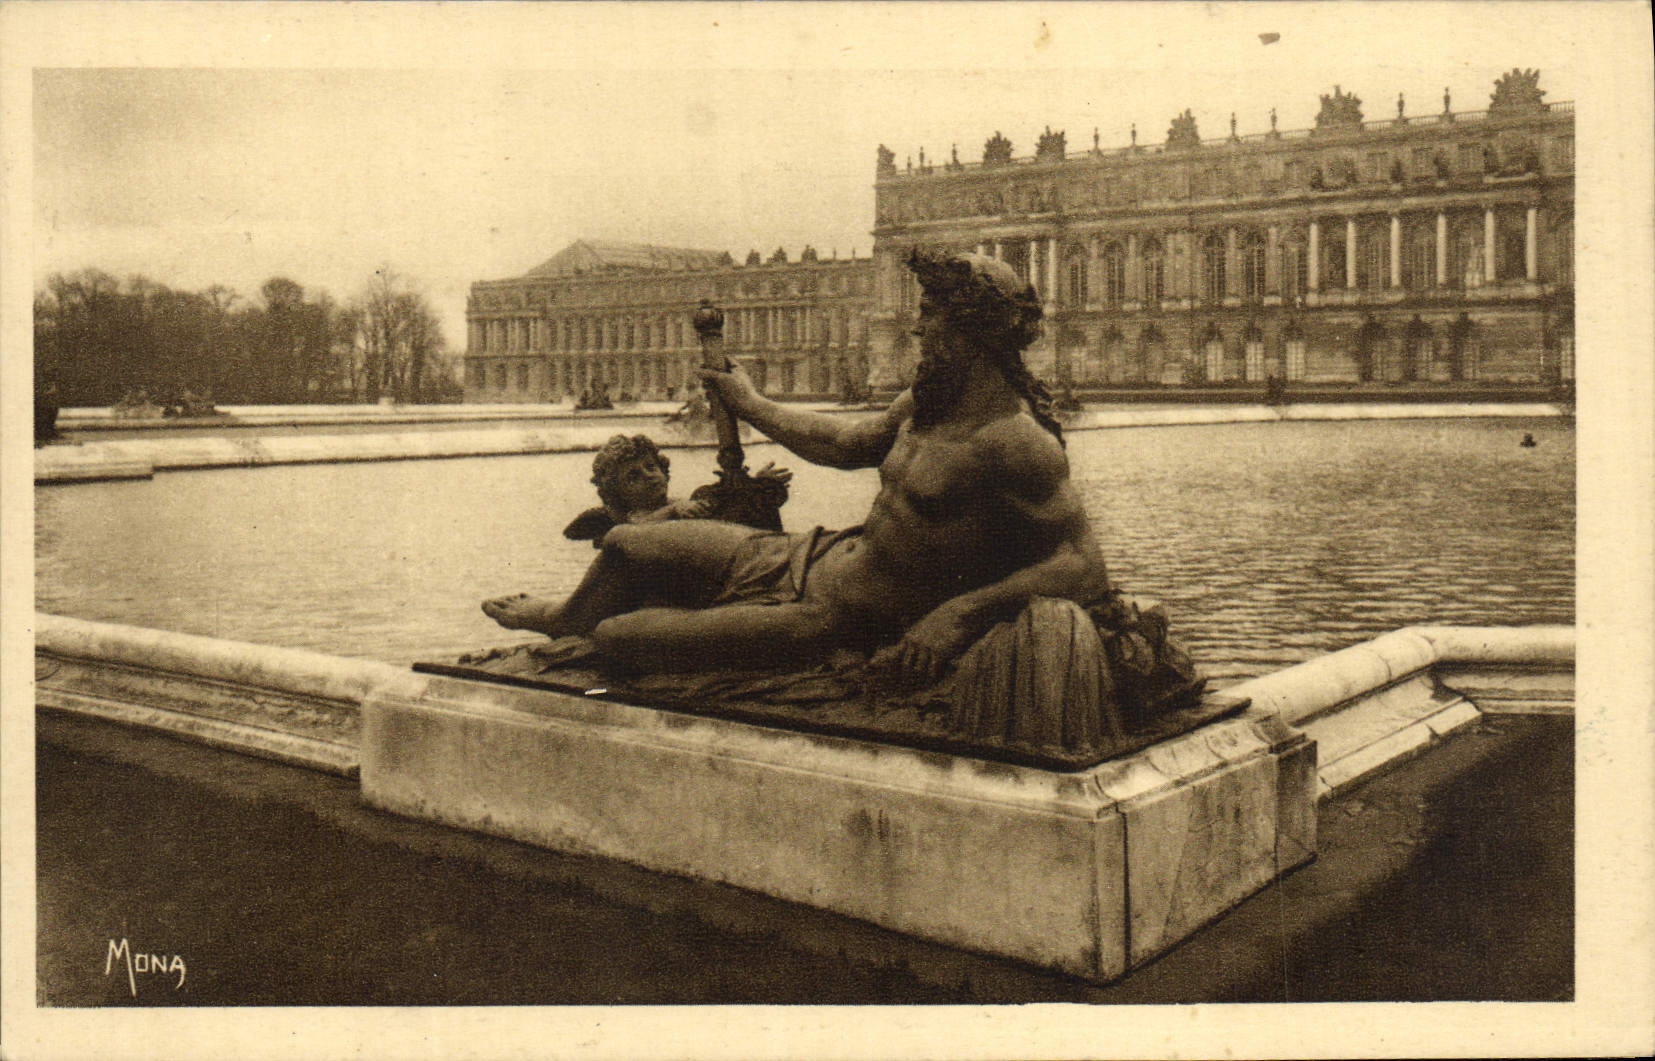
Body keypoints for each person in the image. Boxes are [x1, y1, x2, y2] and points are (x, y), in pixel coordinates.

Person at [483, 247, 1111, 684]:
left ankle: (575, 624)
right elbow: (844, 445)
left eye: (932, 321)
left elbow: (1084, 565)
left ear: (974, 337)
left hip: (836, 617)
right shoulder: (924, 404)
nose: (919, 333)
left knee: (619, 639)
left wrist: (957, 615)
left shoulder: (1014, 443)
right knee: (622, 540)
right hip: (811, 556)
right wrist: (751, 403)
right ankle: (559, 617)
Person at [562, 434, 790, 544]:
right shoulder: (635, 516)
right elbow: (635, 529)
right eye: (633, 477)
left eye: (651, 466)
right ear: (618, 494)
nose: (648, 475)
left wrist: (753, 484)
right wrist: (673, 512)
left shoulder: (680, 502)